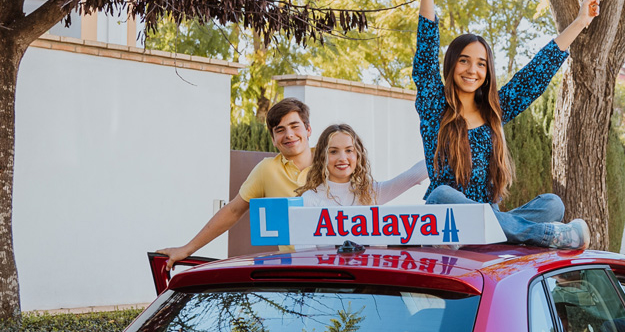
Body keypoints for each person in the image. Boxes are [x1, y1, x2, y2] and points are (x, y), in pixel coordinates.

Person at [413, 0, 595, 249]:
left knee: (552, 205)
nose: (472, 70)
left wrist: (579, 23)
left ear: (488, 71)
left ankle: (498, 233)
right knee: (442, 194)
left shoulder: (493, 111)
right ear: (452, 65)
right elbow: (426, 51)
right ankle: (545, 236)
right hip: (447, 219)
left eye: (481, 63)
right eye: (464, 60)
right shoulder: (434, 107)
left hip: (490, 215)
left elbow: (535, 75)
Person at [158, 98, 313, 268]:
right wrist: (187, 249)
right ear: (274, 139)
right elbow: (233, 210)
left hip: (334, 271)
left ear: (308, 129)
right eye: (280, 130)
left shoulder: (331, 163)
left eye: (294, 126)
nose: (289, 134)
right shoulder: (267, 170)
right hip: (293, 274)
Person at [298, 123, 427, 206]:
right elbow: (304, 248)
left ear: (358, 155)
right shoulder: (310, 199)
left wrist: (446, 152)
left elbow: (414, 175)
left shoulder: (371, 193)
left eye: (349, 150)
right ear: (322, 157)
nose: (342, 158)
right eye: (333, 151)